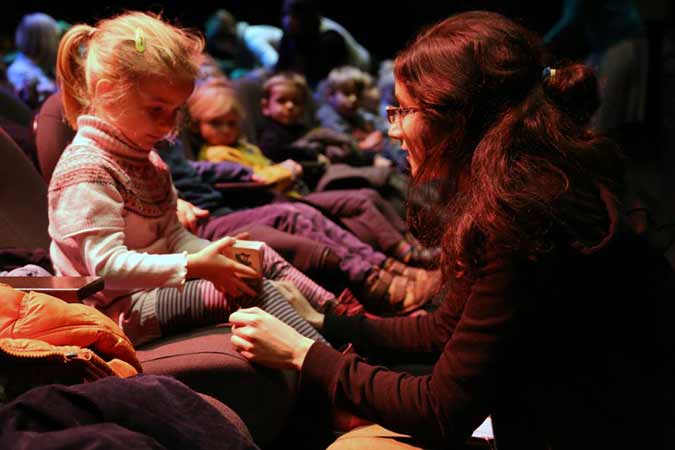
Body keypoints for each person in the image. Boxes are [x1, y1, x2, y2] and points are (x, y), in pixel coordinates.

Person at [228, 11, 672, 450]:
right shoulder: (532, 179)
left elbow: (441, 410)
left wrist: (302, 354)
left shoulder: (522, 212)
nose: (394, 129)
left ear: (459, 117)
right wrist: (326, 321)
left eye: (404, 110)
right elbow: (445, 328)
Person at [48, 11, 328, 347]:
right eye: (156, 110)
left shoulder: (148, 161)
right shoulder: (87, 169)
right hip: (116, 313)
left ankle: (342, 322)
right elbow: (105, 269)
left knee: (257, 256)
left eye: (175, 111)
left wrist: (216, 257)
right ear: (108, 93)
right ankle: (328, 369)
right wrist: (197, 265)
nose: (168, 126)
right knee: (249, 286)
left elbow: (175, 236)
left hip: (156, 291)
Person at [7, 12, 60, 108]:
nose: (58, 42)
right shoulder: (19, 71)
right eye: (55, 37)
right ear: (44, 40)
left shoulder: (44, 66)